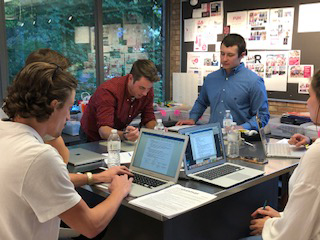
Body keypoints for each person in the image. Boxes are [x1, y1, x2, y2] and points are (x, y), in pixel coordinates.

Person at [0, 62, 133, 239]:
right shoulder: (39, 156)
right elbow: (91, 225)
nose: (69, 117)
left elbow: (38, 180)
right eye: (69, 108)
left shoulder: (5, 134)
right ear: (54, 106)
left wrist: (98, 177)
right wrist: (119, 191)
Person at [25, 48, 120, 188]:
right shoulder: (32, 133)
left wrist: (93, 178)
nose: (68, 117)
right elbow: (57, 177)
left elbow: (59, 173)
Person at [246, 70, 320, 240]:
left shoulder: (316, 156)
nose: (307, 103)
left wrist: (269, 224)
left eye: (310, 95)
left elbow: (294, 233)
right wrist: (284, 217)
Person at [177, 34, 270, 130]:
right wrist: (193, 118)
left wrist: (241, 128)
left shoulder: (254, 81)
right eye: (222, 54)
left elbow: (262, 116)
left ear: (242, 55)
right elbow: (201, 102)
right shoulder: (211, 78)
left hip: (240, 139)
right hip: (213, 136)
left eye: (230, 55)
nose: (224, 59)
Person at [80, 59, 159, 142]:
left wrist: (156, 130)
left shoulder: (146, 89)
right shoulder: (109, 91)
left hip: (118, 134)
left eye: (148, 89)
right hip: (93, 136)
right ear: (131, 78)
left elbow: (149, 118)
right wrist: (125, 135)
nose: (145, 93)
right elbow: (104, 130)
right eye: (141, 88)